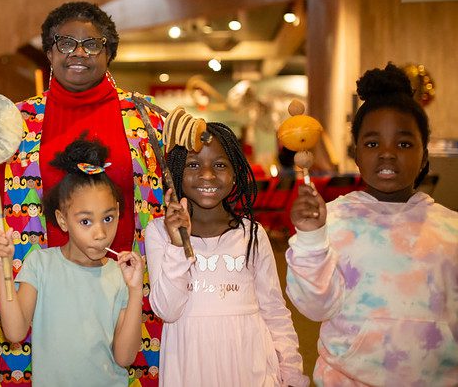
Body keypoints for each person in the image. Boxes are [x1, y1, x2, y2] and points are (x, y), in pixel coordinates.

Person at [0, 1, 166, 386]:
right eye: (65, 43)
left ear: (109, 52)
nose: (79, 52)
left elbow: (175, 196)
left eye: (92, 43)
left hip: (128, 292)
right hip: (42, 294)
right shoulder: (15, 122)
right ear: (49, 52)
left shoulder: (147, 119)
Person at [285, 63, 458, 386]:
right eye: (373, 143)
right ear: (356, 153)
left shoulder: (451, 231)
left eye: (404, 144)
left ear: (424, 155)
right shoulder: (333, 220)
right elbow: (313, 306)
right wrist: (311, 238)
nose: (388, 154)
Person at [145, 122, 307, 387]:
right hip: (190, 366)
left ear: (235, 174)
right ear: (175, 173)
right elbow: (168, 309)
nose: (207, 175)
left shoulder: (252, 234)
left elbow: (275, 311)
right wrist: (178, 244)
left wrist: (291, 371)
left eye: (220, 165)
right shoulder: (160, 232)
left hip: (250, 364)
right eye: (193, 165)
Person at [0, 137, 144, 386]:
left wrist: (136, 290)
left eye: (108, 218)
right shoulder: (40, 264)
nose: (100, 233)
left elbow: (125, 357)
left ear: (117, 211)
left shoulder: (120, 274)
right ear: (63, 220)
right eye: (85, 221)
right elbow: (15, 332)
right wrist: (2, 265)